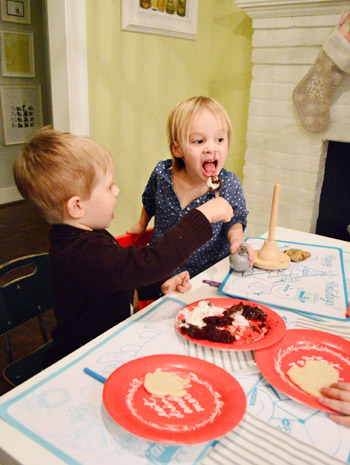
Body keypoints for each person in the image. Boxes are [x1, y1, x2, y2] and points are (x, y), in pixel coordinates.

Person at [14, 127, 233, 367]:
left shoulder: (87, 237)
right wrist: (202, 216)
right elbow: (149, 262)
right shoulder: (80, 253)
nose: (116, 190)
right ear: (77, 206)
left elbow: (118, 276)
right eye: (109, 187)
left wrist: (158, 284)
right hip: (80, 359)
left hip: (108, 344)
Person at [128, 96, 254, 278]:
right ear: (178, 149)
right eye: (199, 141)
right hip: (162, 272)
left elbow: (235, 221)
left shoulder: (228, 184)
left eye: (219, 139)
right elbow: (149, 202)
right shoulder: (162, 174)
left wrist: (237, 241)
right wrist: (141, 225)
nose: (211, 148)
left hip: (206, 275)